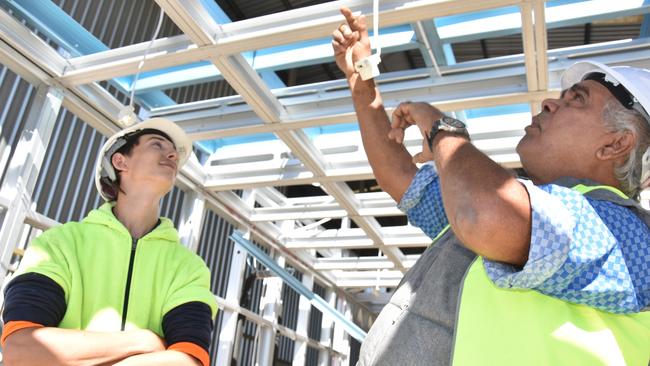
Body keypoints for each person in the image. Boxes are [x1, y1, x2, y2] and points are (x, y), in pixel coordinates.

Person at [332, 6, 650, 366]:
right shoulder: (520, 207)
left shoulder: (631, 237)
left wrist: (444, 131)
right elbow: (400, 177)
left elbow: (482, 215)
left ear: (615, 145)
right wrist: (361, 80)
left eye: (576, 99)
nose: (548, 102)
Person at [1, 118, 217, 366]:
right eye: (157, 144)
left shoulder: (189, 267)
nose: (172, 154)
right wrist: (143, 341)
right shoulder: (58, 244)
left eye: (174, 153)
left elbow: (190, 360)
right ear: (120, 161)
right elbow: (21, 350)